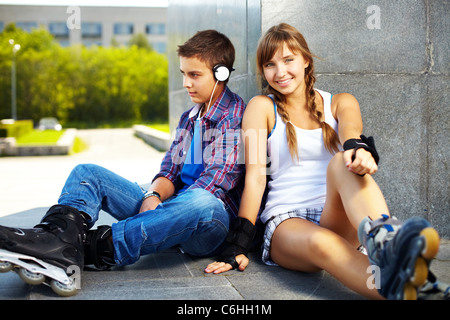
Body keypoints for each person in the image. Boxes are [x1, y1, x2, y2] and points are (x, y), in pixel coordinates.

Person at [205, 23, 441, 300]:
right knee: (325, 243)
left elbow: (351, 132)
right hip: (288, 224)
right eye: (270, 64)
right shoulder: (261, 107)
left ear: (306, 60)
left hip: (339, 215)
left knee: (343, 161)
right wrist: (239, 242)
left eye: (288, 60)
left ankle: (390, 245)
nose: (280, 72)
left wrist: (360, 151)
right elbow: (256, 177)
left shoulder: (340, 102)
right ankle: (410, 289)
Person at [0, 30, 246, 294]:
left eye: (194, 75)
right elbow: (170, 171)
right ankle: (55, 237)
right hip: (169, 210)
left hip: (207, 225)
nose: (186, 83)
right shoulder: (190, 117)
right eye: (184, 74)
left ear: (221, 73)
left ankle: (91, 248)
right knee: (87, 172)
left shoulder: (233, 114)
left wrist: (163, 210)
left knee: (202, 201)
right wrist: (152, 195)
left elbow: (214, 183)